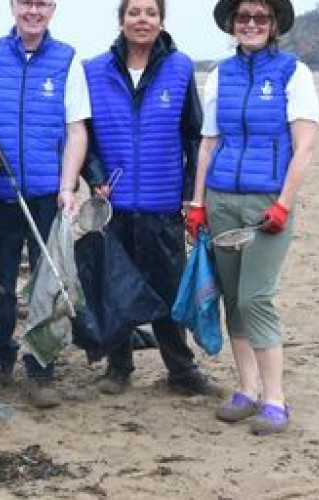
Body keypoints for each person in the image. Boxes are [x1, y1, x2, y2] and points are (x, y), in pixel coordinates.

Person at [188, 0, 319, 435]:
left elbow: (303, 148)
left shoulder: (292, 73)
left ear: (274, 24)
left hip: (267, 202)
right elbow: (208, 144)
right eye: (242, 17)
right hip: (222, 197)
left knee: (255, 298)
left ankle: (275, 398)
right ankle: (245, 389)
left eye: (260, 17)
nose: (250, 24)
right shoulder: (219, 75)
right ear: (231, 23)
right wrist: (197, 203)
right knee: (230, 298)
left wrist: (283, 203)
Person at [0, 0, 90, 409]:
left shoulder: (68, 60)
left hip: (48, 196)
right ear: (13, 6)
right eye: (26, 2)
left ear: (53, 9)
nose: (34, 11)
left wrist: (68, 187)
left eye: (42, 4)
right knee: (0, 279)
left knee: (48, 283)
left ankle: (41, 368)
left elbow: (77, 131)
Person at [82, 0, 217, 397]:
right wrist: (94, 178)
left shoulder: (179, 67)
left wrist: (192, 192)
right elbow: (81, 137)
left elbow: (195, 135)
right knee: (117, 287)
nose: (142, 20)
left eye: (150, 13)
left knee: (168, 288)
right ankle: (118, 367)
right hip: (114, 204)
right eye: (134, 12)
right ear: (121, 20)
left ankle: (181, 369)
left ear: (161, 21)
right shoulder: (94, 70)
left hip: (162, 204)